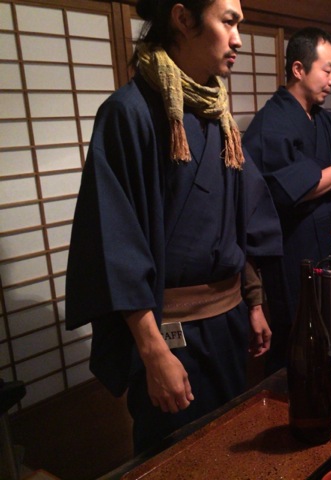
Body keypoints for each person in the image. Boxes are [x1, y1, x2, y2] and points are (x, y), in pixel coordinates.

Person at [64, 0, 282, 454]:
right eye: (228, 22)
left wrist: (254, 301)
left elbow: (238, 221)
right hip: (169, 333)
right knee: (175, 453)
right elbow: (113, 242)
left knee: (229, 442)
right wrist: (151, 350)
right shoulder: (129, 113)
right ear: (182, 18)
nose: (238, 38)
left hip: (227, 321)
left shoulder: (216, 113)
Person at [242, 28, 331, 373]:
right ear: (299, 69)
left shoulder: (330, 124)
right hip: (293, 246)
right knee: (298, 328)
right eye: (326, 70)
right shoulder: (273, 123)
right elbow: (287, 191)